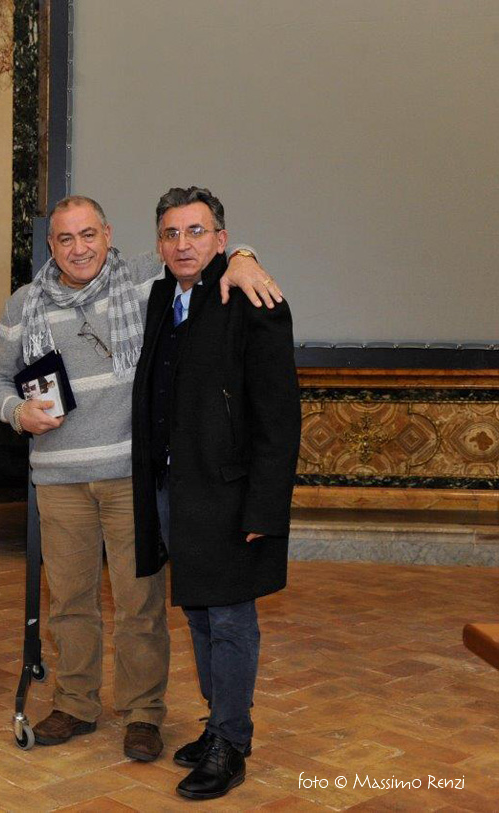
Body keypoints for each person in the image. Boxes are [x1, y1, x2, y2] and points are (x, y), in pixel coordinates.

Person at [0, 195, 282, 760]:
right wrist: (16, 411)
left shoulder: (146, 279)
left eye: (88, 235)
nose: (79, 248)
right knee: (70, 602)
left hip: (133, 478)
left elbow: (202, 254)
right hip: (59, 480)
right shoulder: (25, 304)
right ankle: (75, 704)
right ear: (51, 245)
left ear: (108, 234)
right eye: (65, 239)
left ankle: (143, 713)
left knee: (140, 604)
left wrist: (243, 256)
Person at [131, 187, 300, 800]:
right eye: (171, 234)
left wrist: (265, 507)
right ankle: (218, 724)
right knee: (199, 611)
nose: (183, 244)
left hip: (229, 494)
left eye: (196, 232)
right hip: (174, 489)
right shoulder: (160, 297)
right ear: (159, 244)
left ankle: (232, 743)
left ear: (221, 240)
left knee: (230, 619)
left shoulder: (253, 300)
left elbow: (279, 418)